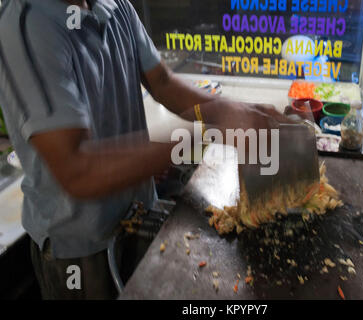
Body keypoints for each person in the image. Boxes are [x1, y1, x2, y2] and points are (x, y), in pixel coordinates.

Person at [0, 0, 286, 299]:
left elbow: (162, 82)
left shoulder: (113, 5)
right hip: (81, 251)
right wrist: (195, 136)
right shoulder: (26, 24)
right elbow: (77, 171)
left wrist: (229, 110)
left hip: (137, 215)